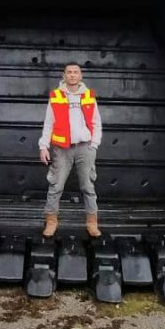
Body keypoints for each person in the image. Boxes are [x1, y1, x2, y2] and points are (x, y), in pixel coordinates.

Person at [38, 62, 103, 238]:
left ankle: (92, 223)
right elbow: (49, 123)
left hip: (85, 147)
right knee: (56, 186)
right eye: (69, 72)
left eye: (76, 72)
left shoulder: (88, 95)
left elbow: (96, 122)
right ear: (64, 75)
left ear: (80, 76)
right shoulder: (56, 96)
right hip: (62, 149)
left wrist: (94, 144)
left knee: (88, 186)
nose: (72, 75)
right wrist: (43, 146)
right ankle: (51, 222)